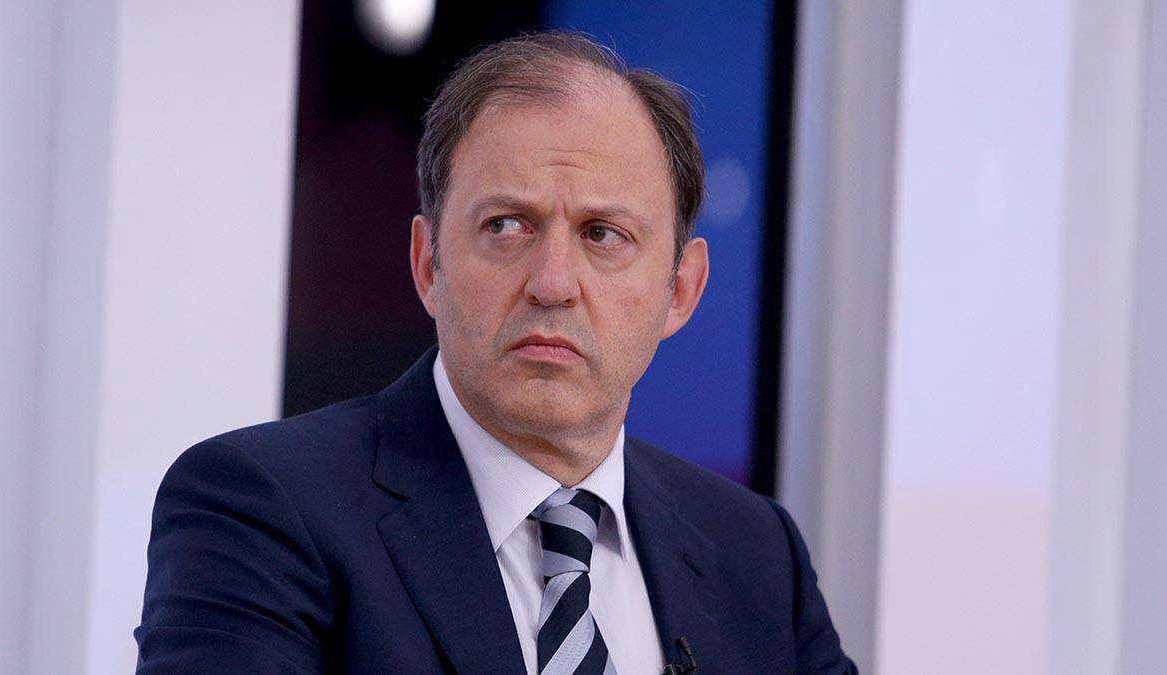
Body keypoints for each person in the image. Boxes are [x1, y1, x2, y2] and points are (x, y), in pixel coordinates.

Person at [134, 32, 856, 675]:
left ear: (682, 289)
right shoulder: (260, 508)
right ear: (428, 263)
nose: (552, 283)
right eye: (507, 225)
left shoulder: (756, 553)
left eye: (603, 234)